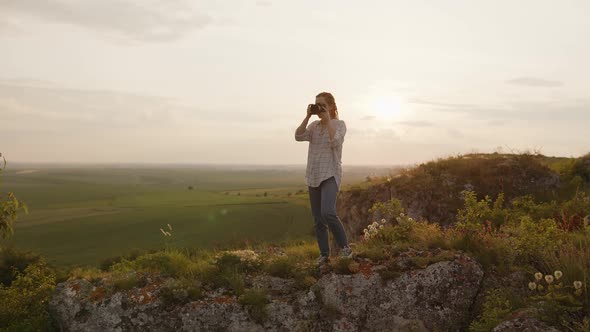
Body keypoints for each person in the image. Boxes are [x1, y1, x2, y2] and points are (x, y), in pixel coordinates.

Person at [294, 92, 353, 266]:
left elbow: (335, 142)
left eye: (322, 105)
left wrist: (328, 122)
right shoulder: (313, 126)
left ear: (331, 107)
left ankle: (345, 248)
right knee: (318, 219)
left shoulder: (340, 125)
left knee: (328, 212)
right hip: (313, 175)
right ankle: (324, 255)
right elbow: (298, 136)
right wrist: (307, 116)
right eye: (316, 105)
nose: (318, 108)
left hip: (330, 174)